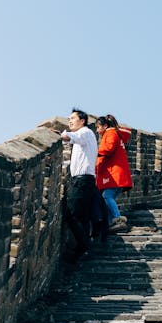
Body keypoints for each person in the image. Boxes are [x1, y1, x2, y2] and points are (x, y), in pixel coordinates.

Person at [59, 108, 98, 262]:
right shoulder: (85, 136)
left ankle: (84, 246)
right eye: (69, 118)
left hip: (83, 180)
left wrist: (63, 135)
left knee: (71, 214)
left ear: (82, 121)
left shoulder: (86, 132)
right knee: (81, 217)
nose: (69, 121)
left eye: (73, 118)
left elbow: (73, 137)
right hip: (84, 180)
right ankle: (82, 249)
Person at [95, 114, 133, 233]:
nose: (97, 130)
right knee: (108, 198)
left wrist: (93, 152)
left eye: (98, 127)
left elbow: (109, 148)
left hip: (114, 173)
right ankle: (111, 223)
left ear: (105, 126)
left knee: (107, 196)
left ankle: (117, 220)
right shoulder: (115, 134)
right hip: (117, 173)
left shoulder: (110, 133)